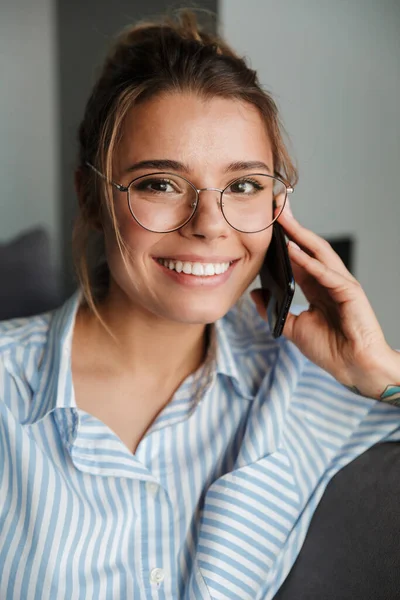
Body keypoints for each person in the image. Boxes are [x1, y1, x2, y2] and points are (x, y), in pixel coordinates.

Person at [0, 9, 399, 600]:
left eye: (243, 186)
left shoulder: (301, 381)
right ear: (91, 199)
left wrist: (382, 371)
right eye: (160, 183)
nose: (210, 226)